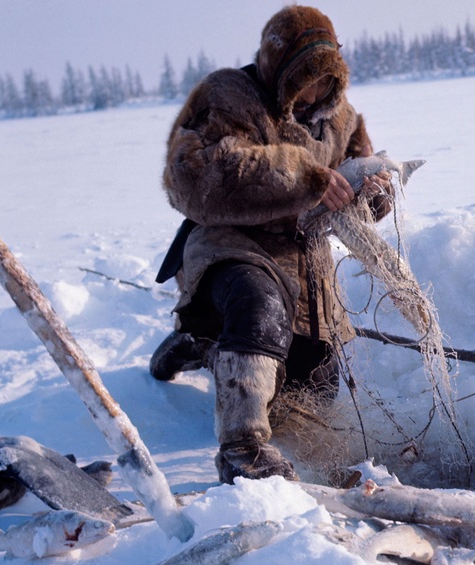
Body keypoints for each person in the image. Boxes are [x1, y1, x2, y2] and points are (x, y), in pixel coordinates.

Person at [149, 6, 393, 485]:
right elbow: (192, 176)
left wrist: (374, 193)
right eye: (303, 81)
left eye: (324, 83)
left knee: (309, 393)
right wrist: (304, 178)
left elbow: (354, 191)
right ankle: (242, 451)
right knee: (258, 308)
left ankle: (205, 344)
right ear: (276, 68)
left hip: (305, 263)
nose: (311, 95)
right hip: (230, 245)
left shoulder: (342, 120)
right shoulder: (226, 96)